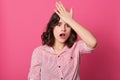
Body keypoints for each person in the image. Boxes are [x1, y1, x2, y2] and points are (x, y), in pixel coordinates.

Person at [28, 1, 97, 80]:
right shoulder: (39, 52)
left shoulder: (76, 47)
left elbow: (93, 42)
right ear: (52, 27)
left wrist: (70, 21)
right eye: (59, 24)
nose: (63, 29)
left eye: (67, 25)